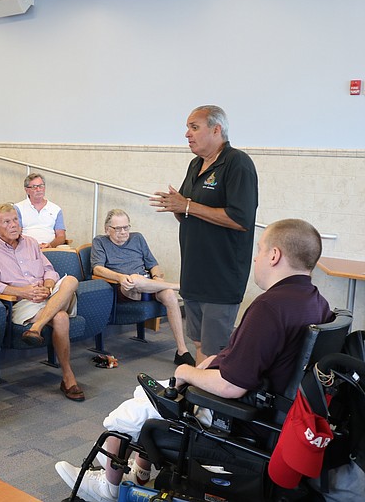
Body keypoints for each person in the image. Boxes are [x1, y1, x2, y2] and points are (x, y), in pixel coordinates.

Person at [56, 219, 333, 502]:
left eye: (260, 249)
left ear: (275, 256)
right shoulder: (315, 302)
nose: (256, 256)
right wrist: (215, 359)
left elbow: (231, 387)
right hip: (273, 410)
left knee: (124, 417)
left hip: (235, 413)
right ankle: (138, 472)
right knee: (146, 394)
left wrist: (187, 371)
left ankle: (108, 489)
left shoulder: (270, 307)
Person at [150, 105, 258, 364]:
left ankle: (208, 402)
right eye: (187, 128)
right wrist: (178, 207)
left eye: (194, 127)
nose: (187, 134)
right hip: (193, 273)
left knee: (214, 350)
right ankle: (200, 400)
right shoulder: (195, 164)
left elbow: (240, 219)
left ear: (216, 129)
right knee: (199, 343)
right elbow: (191, 212)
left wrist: (187, 205)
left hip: (220, 277)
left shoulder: (237, 162)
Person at [0, 203, 84, 401]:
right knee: (60, 318)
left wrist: (49, 287)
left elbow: (49, 271)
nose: (13, 225)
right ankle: (68, 377)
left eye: (15, 220)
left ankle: (36, 327)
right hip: (21, 302)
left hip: (48, 295)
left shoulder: (31, 243)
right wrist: (23, 292)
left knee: (71, 280)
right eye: (6, 222)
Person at [91, 209, 193, 366]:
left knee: (169, 295)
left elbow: (153, 264)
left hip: (146, 284)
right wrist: (120, 277)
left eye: (126, 227)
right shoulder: (100, 241)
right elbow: (97, 269)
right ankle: (180, 286)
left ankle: (182, 350)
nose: (123, 232)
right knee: (135, 279)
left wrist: (157, 277)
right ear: (107, 229)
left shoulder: (137, 238)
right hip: (123, 287)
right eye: (118, 228)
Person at [14, 173, 67, 248]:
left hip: (50, 250)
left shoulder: (56, 209)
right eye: (34, 187)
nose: (38, 190)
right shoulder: (18, 208)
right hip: (26, 249)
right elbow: (15, 234)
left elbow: (61, 236)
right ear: (27, 190)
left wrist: (50, 246)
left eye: (41, 186)